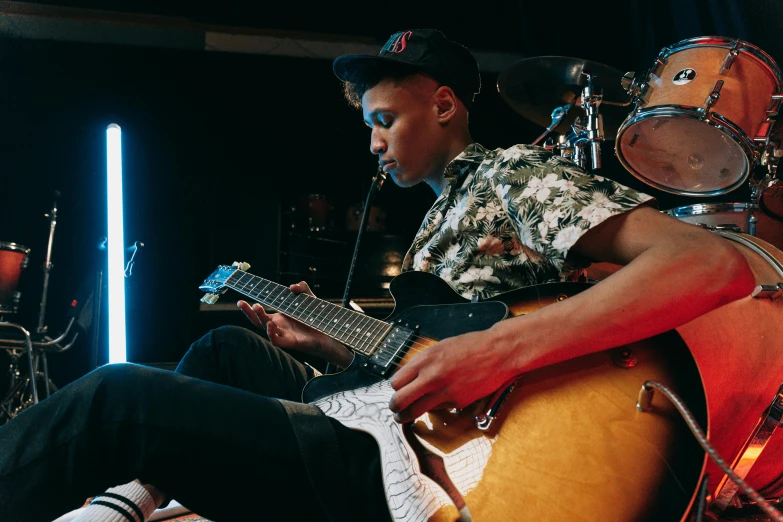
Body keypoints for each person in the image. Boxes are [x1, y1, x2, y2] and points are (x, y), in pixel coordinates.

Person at [0, 28, 754, 522]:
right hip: (404, 412)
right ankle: (141, 493)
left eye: (383, 119)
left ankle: (129, 490)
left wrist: (502, 352)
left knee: (115, 394)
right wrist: (324, 340)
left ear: (444, 104)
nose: (372, 143)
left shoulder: (512, 177)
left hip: (455, 450)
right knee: (227, 352)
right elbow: (428, 350)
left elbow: (706, 263)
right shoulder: (437, 217)